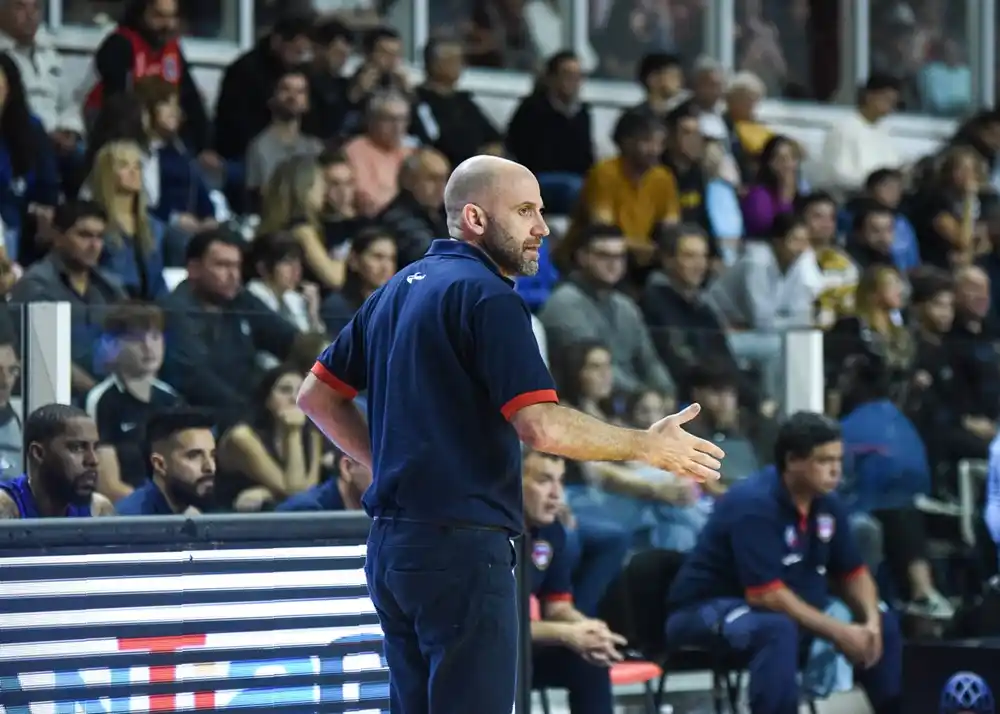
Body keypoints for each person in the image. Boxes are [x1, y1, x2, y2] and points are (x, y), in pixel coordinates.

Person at [296, 154, 725, 714]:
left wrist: (394, 462)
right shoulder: (489, 297)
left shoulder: (397, 288)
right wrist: (646, 445)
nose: (543, 228)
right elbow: (541, 425)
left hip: (393, 546)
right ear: (474, 218)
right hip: (463, 547)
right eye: (525, 211)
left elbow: (317, 396)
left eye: (542, 211)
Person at [666, 412, 902, 714]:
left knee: (885, 620)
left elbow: (853, 572)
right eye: (824, 461)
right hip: (707, 608)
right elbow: (765, 594)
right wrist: (840, 632)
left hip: (776, 607)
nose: (835, 471)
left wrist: (870, 623)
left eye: (839, 460)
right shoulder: (754, 504)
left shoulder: (826, 502)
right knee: (776, 629)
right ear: (792, 460)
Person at [524, 446, 623, 714]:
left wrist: (589, 628)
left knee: (589, 659)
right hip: (480, 652)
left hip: (517, 645)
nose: (557, 494)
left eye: (561, 481)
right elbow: (496, 626)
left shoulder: (551, 532)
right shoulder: (490, 537)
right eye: (544, 480)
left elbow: (556, 606)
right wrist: (568, 634)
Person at [0, 403, 114, 518]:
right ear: (38, 453)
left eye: (95, 447)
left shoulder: (97, 508)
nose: (93, 460)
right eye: (77, 448)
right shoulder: (5, 506)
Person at [115, 408, 216, 516]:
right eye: (194, 456)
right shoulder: (132, 521)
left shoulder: (192, 512)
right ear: (160, 464)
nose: (210, 467)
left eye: (213, 455)